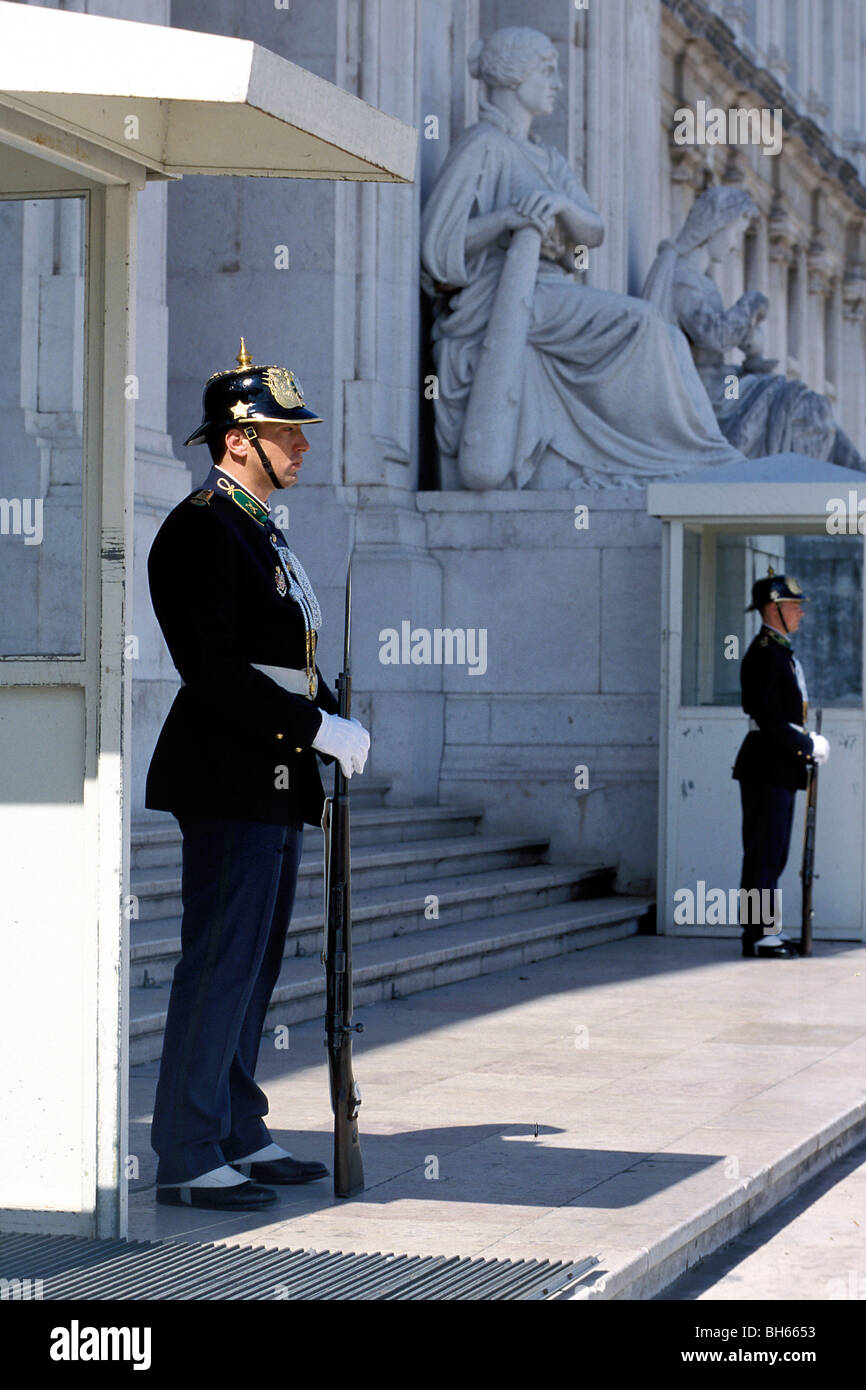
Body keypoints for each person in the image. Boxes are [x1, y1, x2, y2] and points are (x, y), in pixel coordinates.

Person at [145, 339, 370, 1210]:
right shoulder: (202, 528)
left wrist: (329, 717)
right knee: (220, 962)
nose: (302, 445)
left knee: (255, 964)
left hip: (272, 778)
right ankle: (189, 1149)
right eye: (286, 432)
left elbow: (284, 657)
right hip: (230, 773)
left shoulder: (257, 530)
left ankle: (237, 1125)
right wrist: (315, 724)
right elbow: (214, 669)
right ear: (237, 439)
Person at [420, 25, 743, 489]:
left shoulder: (548, 160)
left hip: (549, 289)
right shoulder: (483, 145)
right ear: (513, 76)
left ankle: (697, 453)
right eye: (546, 72)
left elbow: (594, 229)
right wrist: (507, 220)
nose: (557, 83)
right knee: (643, 326)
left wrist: (562, 207)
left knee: (666, 336)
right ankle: (673, 455)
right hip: (504, 293)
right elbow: (438, 244)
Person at [732, 571, 830, 959]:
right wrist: (807, 746)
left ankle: (765, 930)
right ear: (774, 609)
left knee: (773, 853)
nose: (801, 614)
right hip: (767, 764)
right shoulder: (764, 653)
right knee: (764, 852)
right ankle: (757, 935)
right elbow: (769, 719)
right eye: (794, 606)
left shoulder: (778, 651)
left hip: (776, 764)